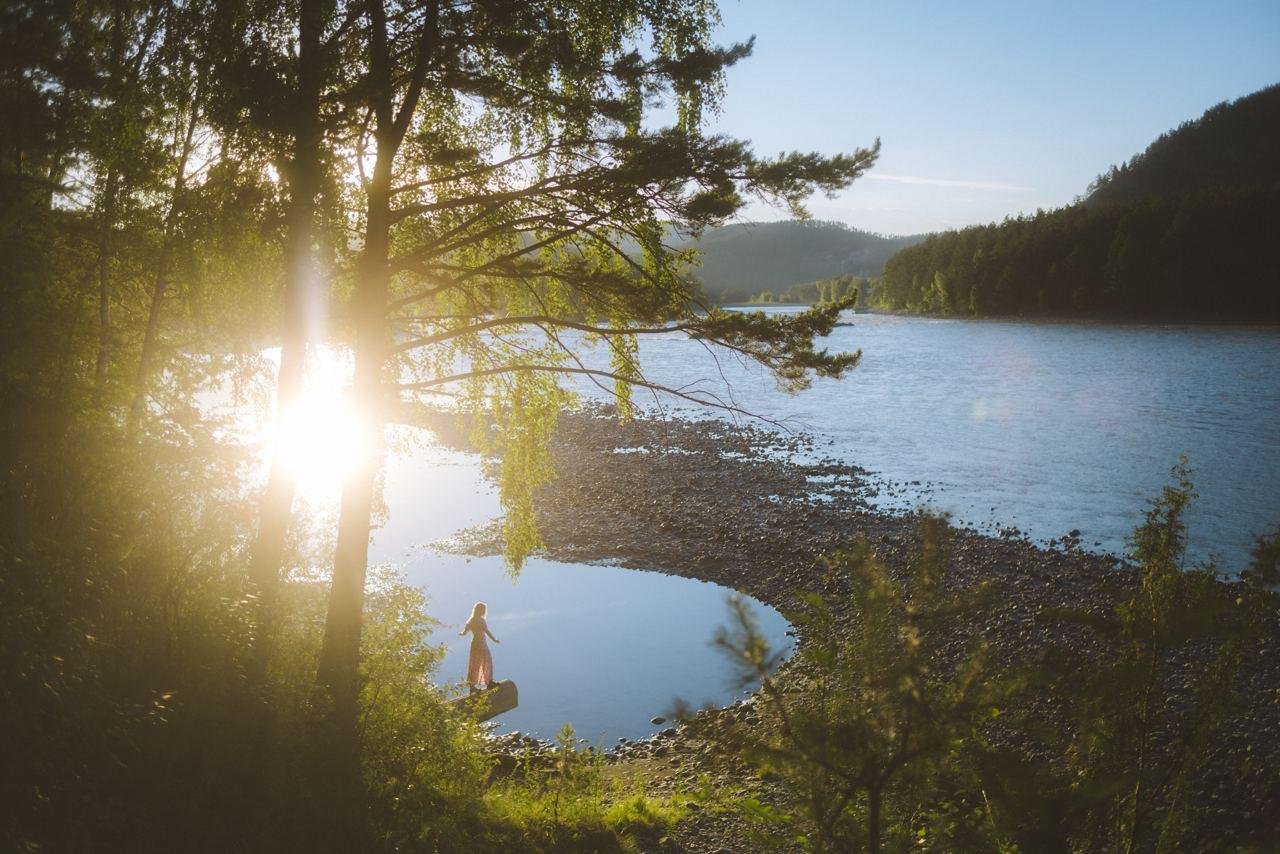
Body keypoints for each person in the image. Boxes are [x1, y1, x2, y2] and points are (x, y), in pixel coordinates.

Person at [459, 601, 499, 692]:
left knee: (474, 664)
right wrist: (494, 640)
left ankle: (472, 687)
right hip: (481, 644)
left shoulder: (470, 621)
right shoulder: (481, 621)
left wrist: (461, 634)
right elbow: (487, 632)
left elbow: (464, 633)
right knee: (487, 661)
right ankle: (489, 682)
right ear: (481, 610)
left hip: (474, 645)